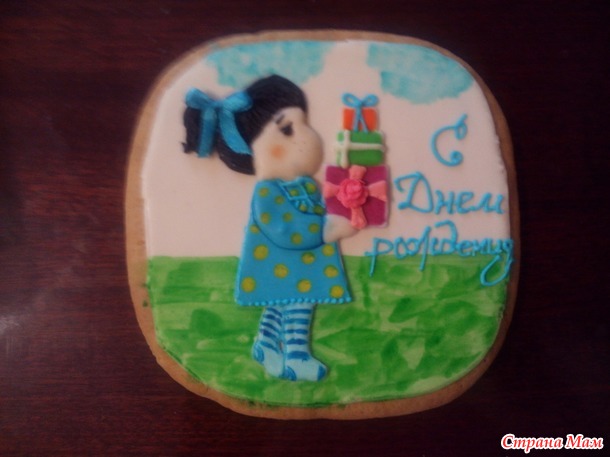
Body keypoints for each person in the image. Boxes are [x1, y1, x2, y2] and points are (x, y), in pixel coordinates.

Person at [184, 75, 354, 381]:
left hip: (298, 266)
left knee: (280, 302)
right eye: (287, 129)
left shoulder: (305, 185)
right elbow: (284, 229)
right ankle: (297, 357)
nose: (309, 137)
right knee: (298, 305)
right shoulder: (267, 192)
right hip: (283, 264)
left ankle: (264, 343)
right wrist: (326, 231)